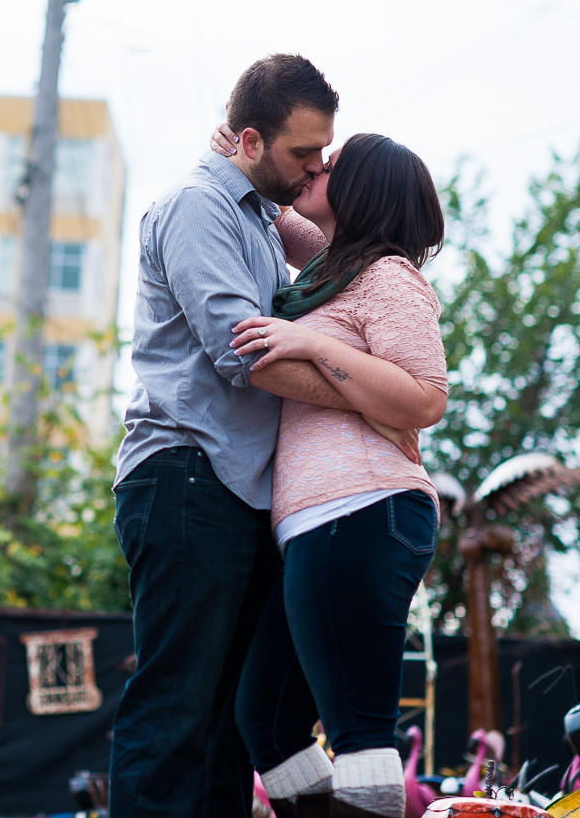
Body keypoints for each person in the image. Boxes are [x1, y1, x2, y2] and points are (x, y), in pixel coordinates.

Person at [110, 53, 364, 818]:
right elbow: (242, 356)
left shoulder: (257, 209)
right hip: (187, 474)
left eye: (325, 150)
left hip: (236, 486)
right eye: (303, 153)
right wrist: (369, 398)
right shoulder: (199, 205)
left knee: (223, 723)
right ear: (249, 140)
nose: (317, 165)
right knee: (177, 705)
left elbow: (346, 263)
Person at [226, 133, 448, 818]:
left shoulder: (387, 275)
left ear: (365, 193)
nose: (316, 166)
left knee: (358, 728)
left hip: (363, 508)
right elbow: (276, 206)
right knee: (264, 718)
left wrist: (312, 342)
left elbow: (427, 395)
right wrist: (240, 143)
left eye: (333, 163)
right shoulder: (331, 268)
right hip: (320, 521)